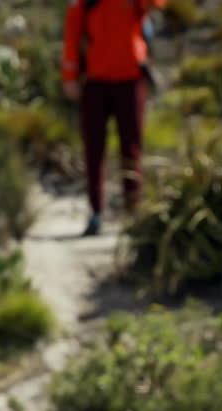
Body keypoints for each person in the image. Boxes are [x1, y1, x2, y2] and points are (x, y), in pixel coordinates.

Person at [62, 0, 166, 236]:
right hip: (95, 83)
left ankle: (133, 213)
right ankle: (96, 212)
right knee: (93, 149)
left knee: (132, 149)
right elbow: (72, 36)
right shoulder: (83, 3)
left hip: (130, 80)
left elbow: (157, 5)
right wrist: (69, 75)